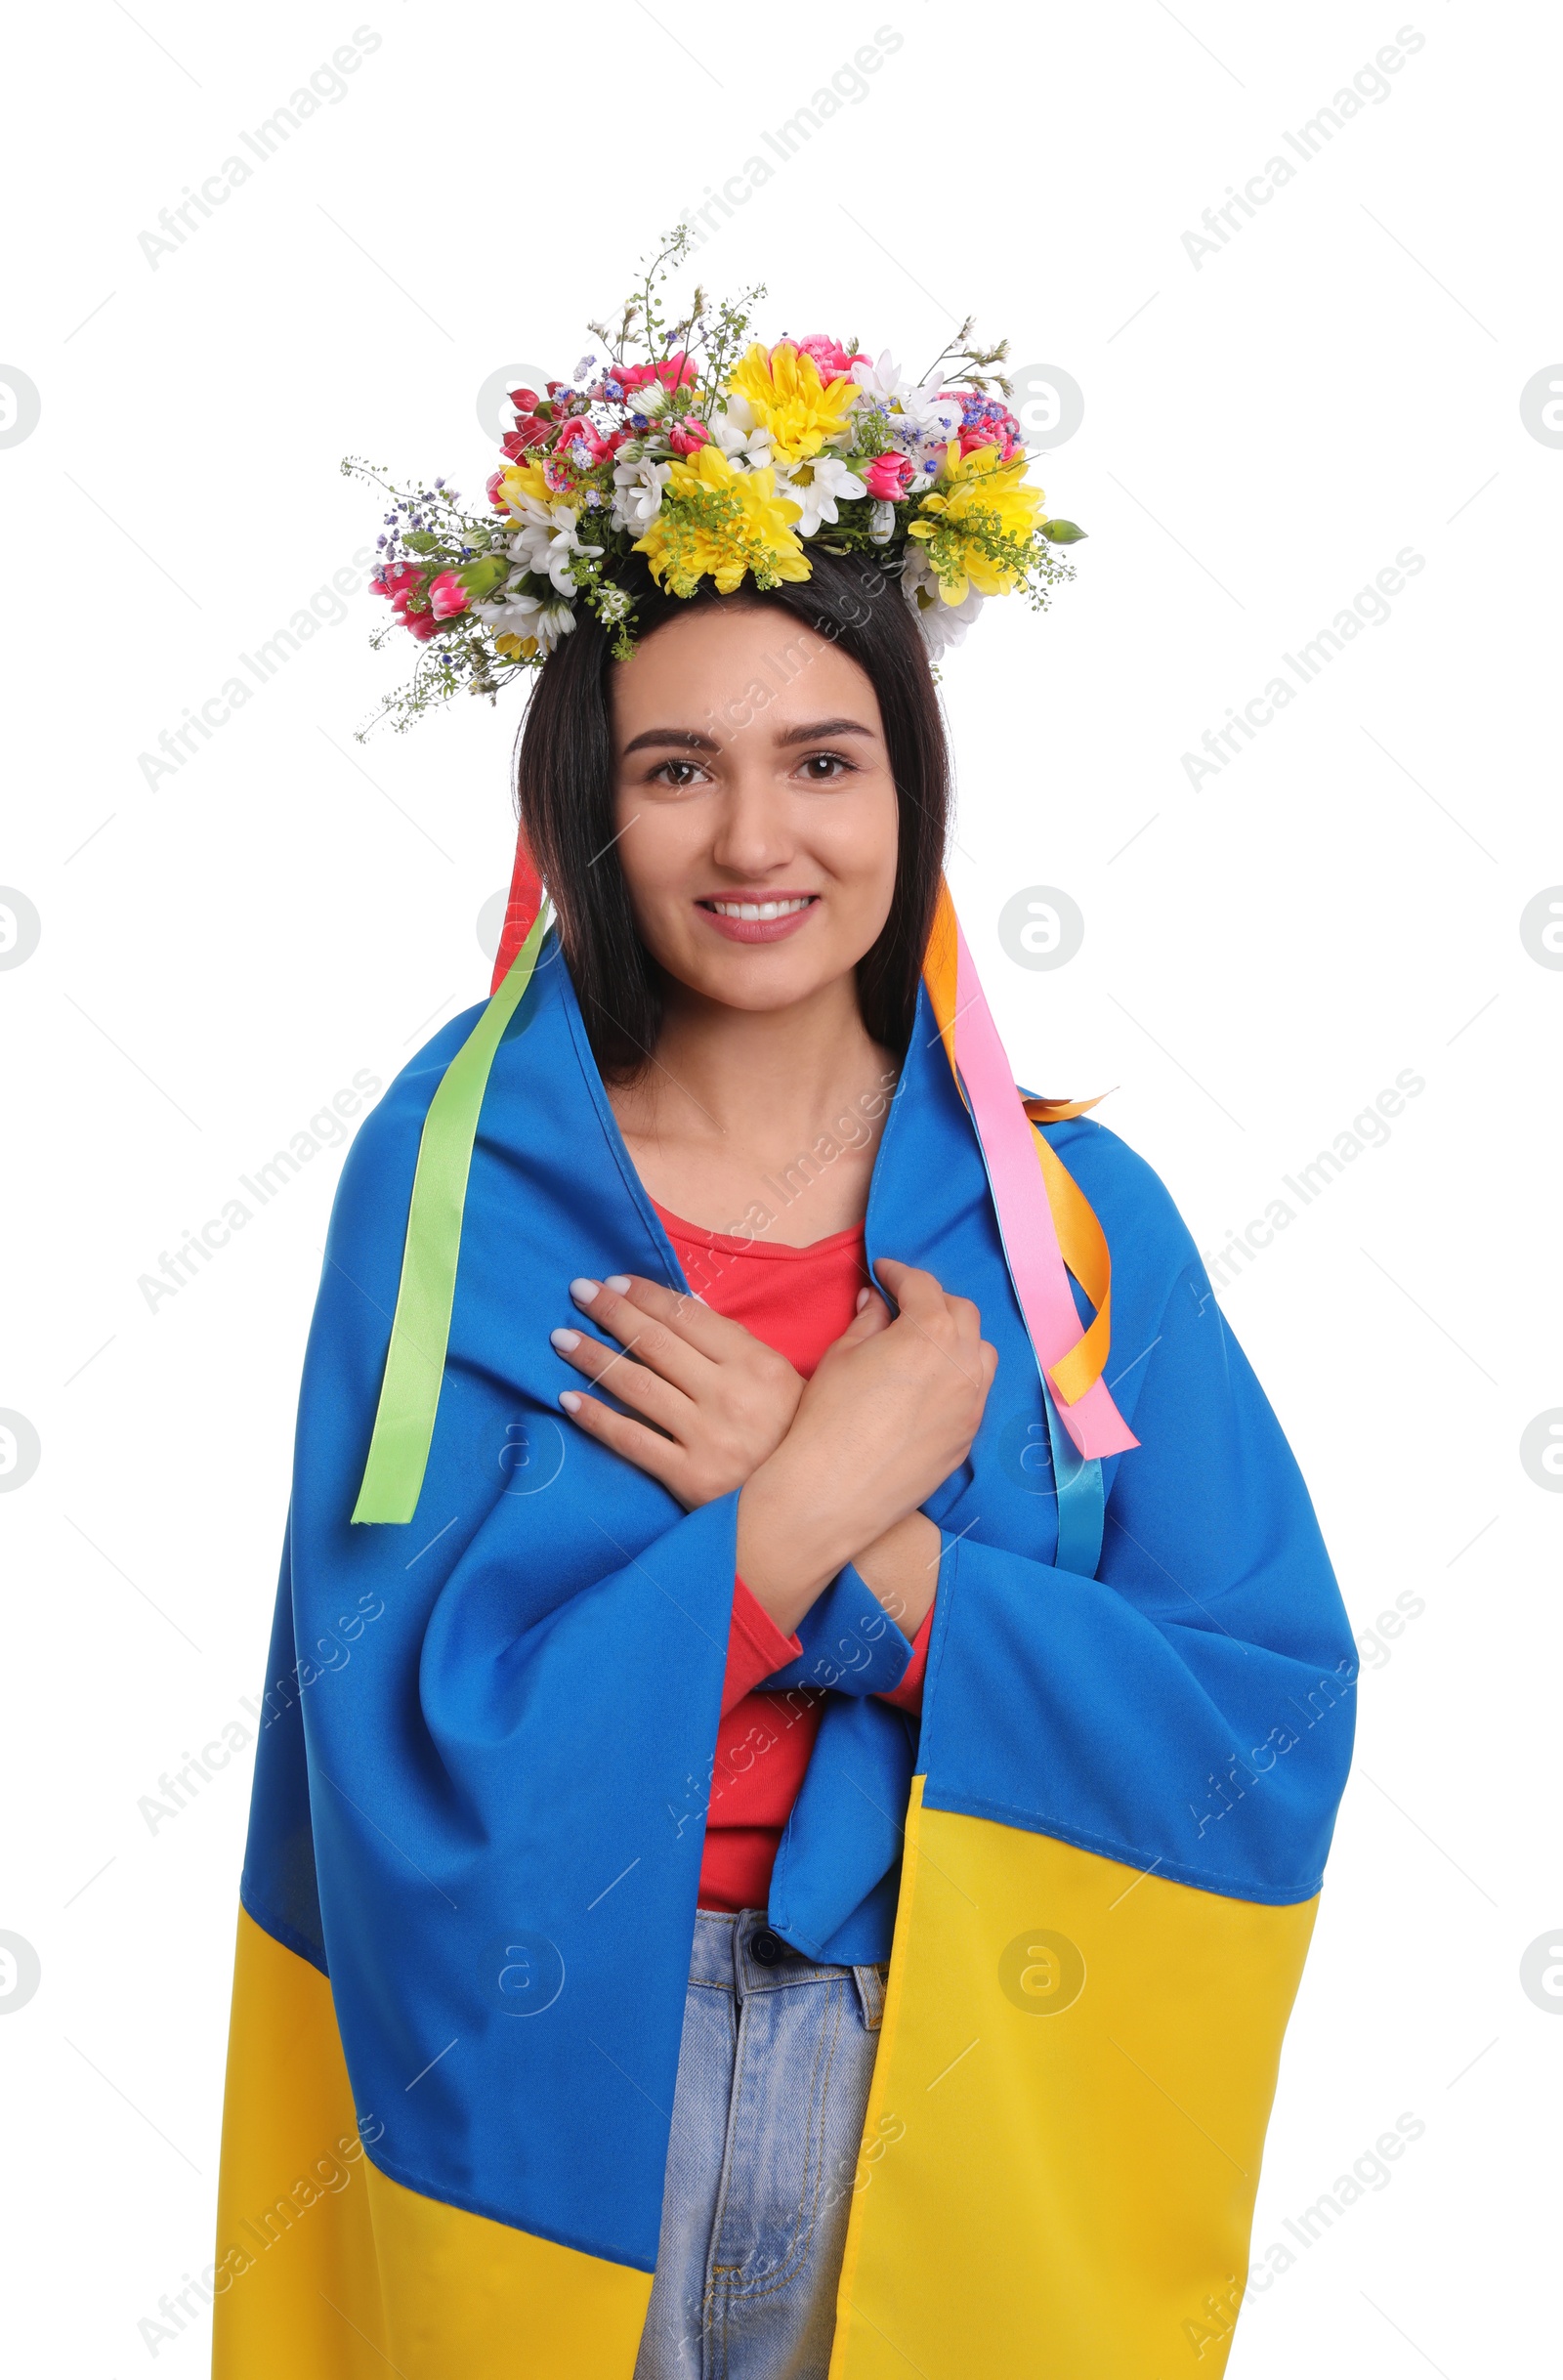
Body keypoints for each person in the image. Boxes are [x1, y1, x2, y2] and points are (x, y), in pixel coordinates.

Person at [214, 280, 1356, 2380]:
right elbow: (388, 1712)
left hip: (932, 2055)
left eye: (820, 761)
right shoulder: (460, 1183)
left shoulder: (1074, 1227)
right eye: (675, 769)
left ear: (905, 787)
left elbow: (1253, 1715)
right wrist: (804, 1486)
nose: (754, 841)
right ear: (585, 804)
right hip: (561, 2061)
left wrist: (859, 1550)